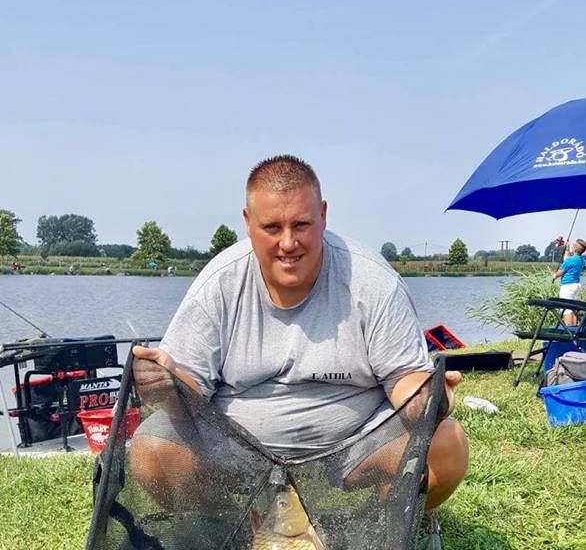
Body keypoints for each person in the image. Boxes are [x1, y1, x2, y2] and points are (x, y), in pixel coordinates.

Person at [131, 155, 468, 511]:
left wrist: (430, 398)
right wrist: (167, 383)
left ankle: (382, 527)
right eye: (272, 228)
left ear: (323, 215)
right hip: (238, 449)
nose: (288, 243)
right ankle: (228, 529)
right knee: (152, 451)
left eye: (301, 224)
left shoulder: (373, 281)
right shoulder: (219, 282)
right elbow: (190, 386)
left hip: (353, 446)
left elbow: (405, 377)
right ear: (248, 223)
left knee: (447, 446)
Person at [552, 237, 586, 325]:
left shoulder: (570, 260)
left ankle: (568, 330)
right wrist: (567, 247)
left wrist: (554, 275)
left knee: (566, 309)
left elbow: (560, 272)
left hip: (567, 286)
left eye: (574, 245)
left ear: (575, 248)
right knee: (572, 308)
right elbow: (567, 259)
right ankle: (574, 329)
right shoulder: (581, 260)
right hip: (576, 286)